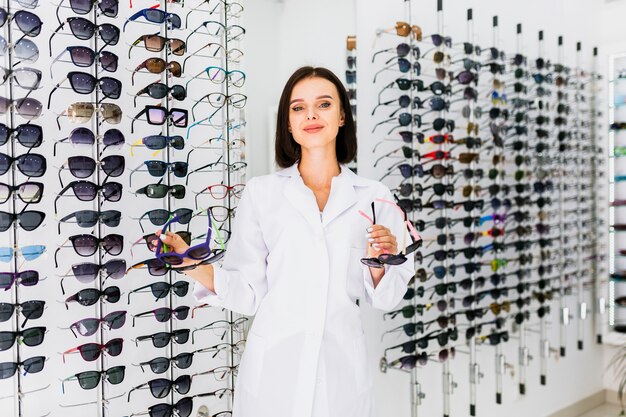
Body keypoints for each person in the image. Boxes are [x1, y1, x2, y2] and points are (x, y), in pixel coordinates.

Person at [156, 66, 415, 417]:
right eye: (297, 108)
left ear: (341, 116)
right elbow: (247, 293)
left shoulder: (374, 197)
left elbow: (388, 297)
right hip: (273, 375)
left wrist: (381, 264)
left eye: (323, 104)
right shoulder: (263, 194)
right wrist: (194, 266)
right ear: (288, 123)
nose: (310, 114)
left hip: (341, 375)